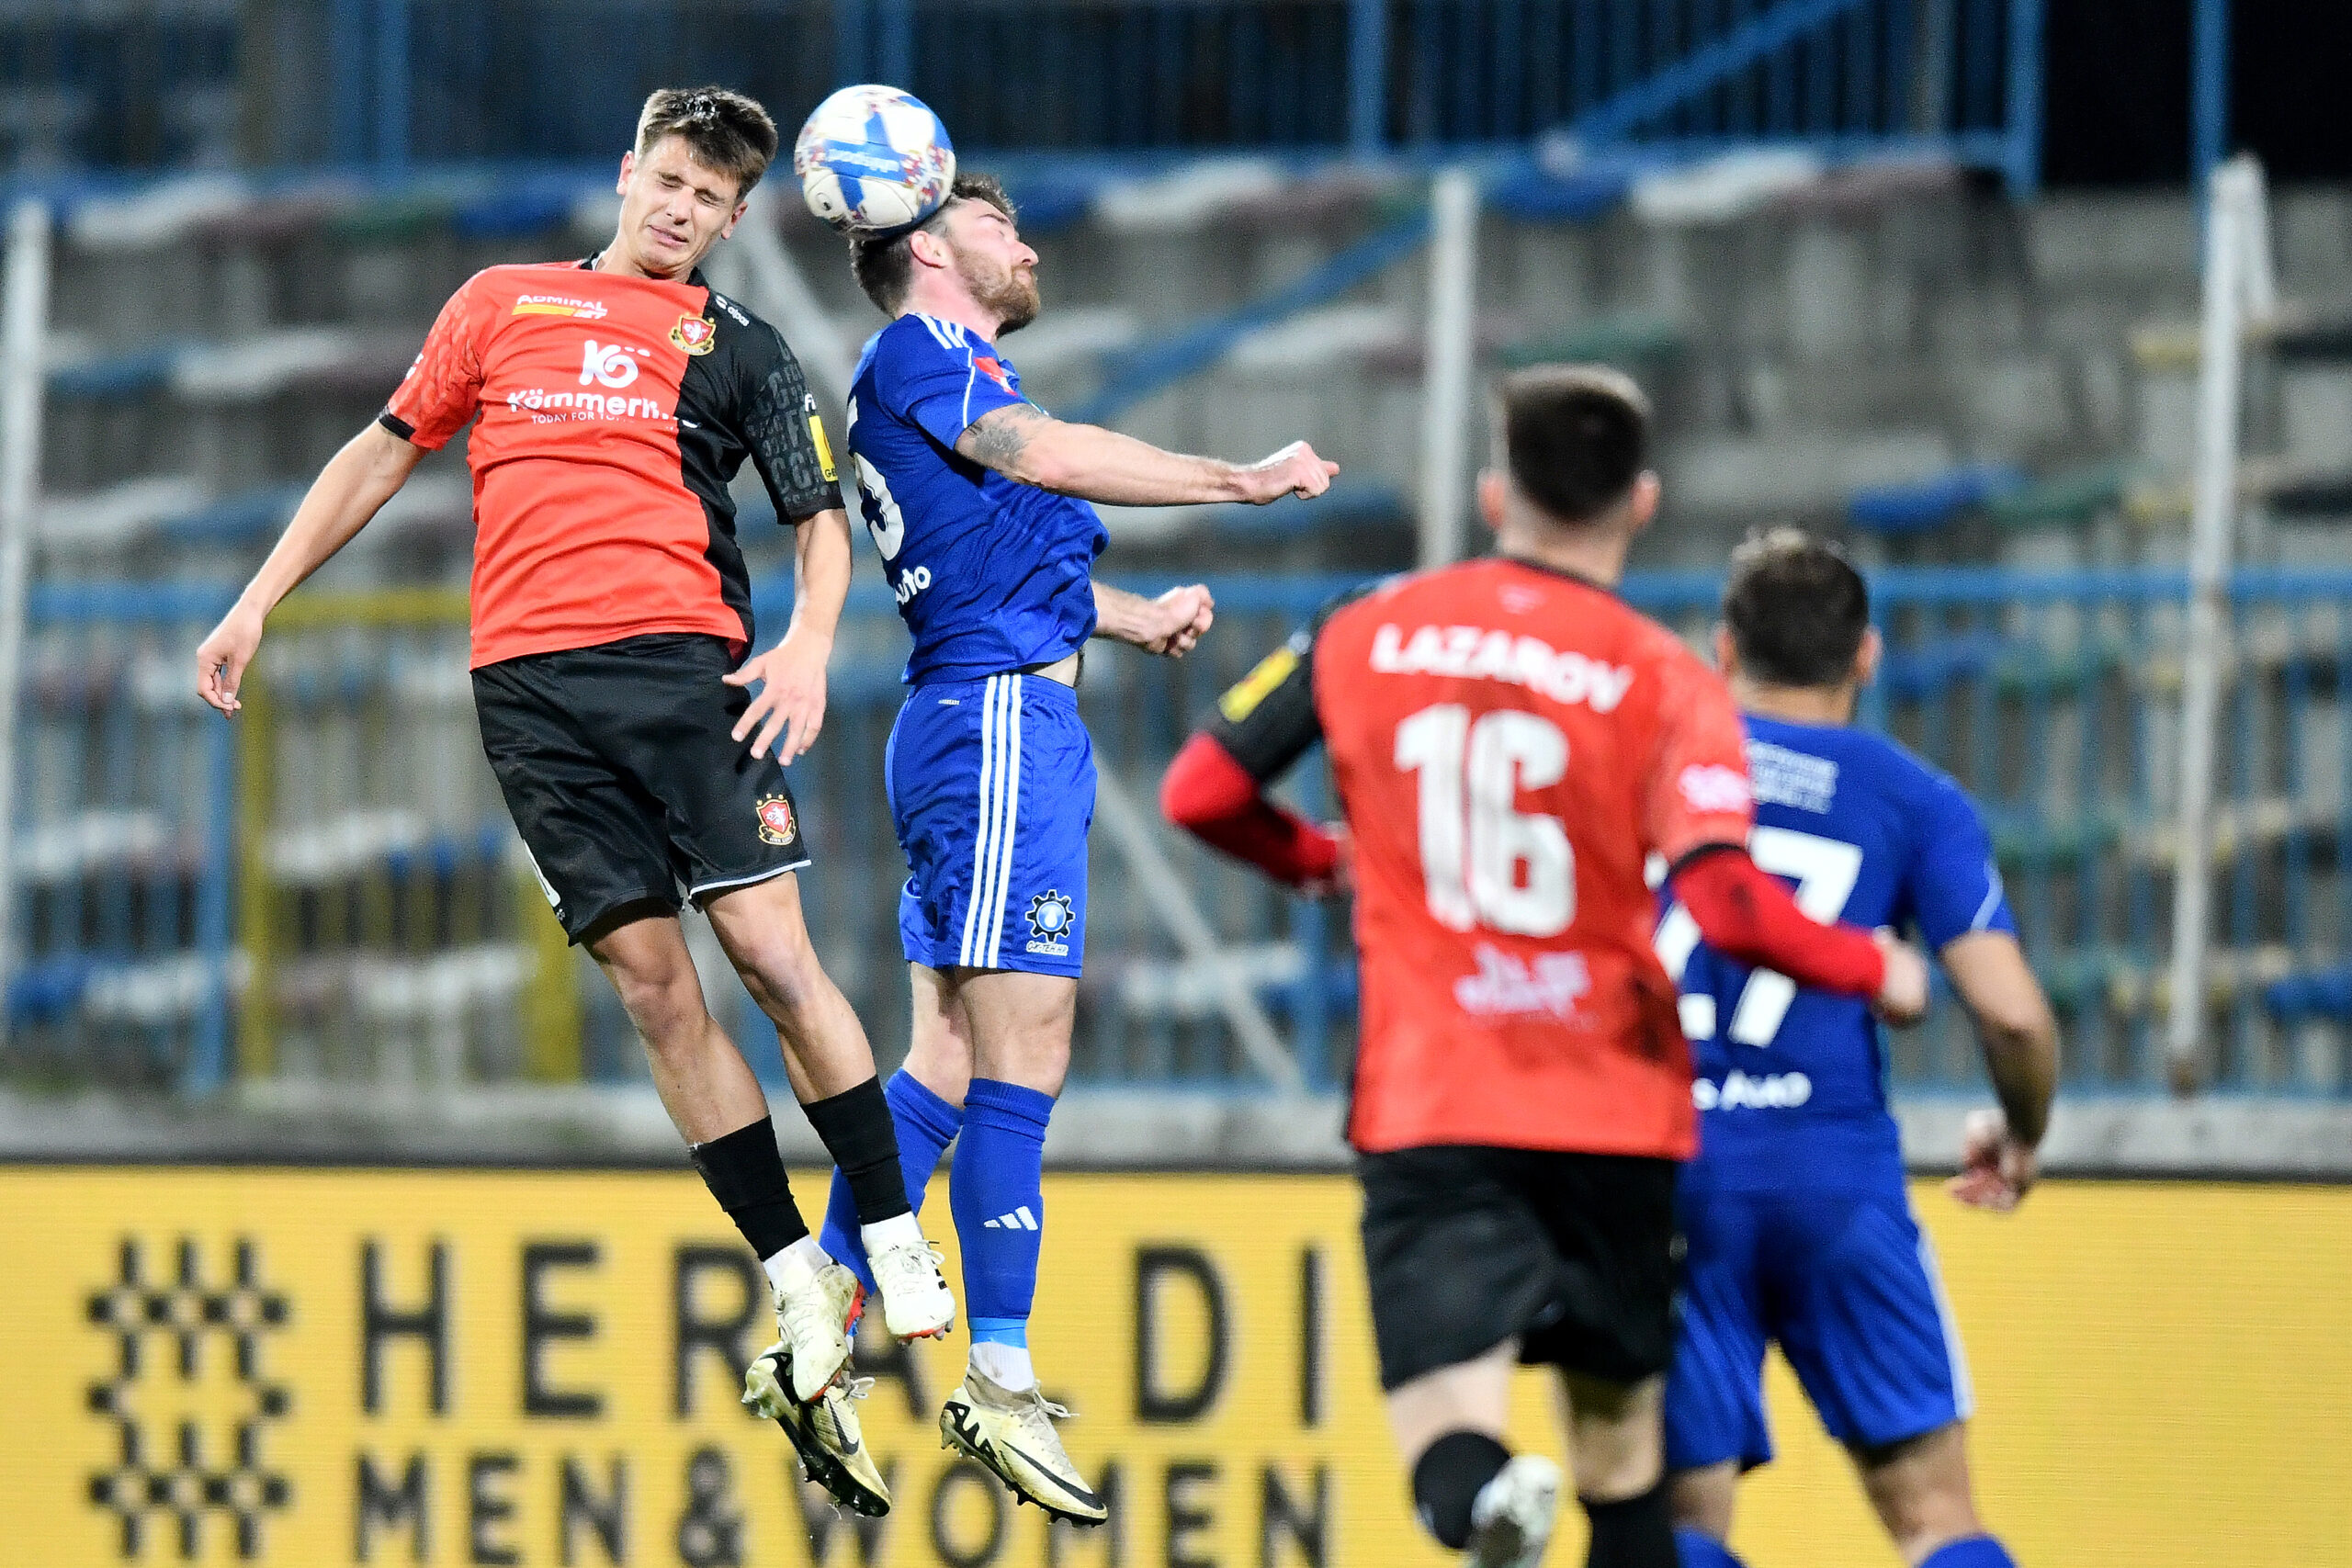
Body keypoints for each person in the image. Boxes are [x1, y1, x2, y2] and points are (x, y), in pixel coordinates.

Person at [191, 85, 949, 1517]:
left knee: (777, 959)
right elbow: (382, 445)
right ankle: (797, 1273)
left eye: (709, 198)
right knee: (656, 991)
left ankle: (895, 1230)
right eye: (665, 179)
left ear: (733, 221)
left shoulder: (740, 346)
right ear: (628, 173)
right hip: (530, 698)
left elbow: (817, 519)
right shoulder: (500, 302)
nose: (678, 207)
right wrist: (256, 601)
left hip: (690, 680)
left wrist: (804, 641)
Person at [1159, 366, 1931, 1568]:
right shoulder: (1669, 674)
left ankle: (1482, 1501)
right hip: (1615, 1106)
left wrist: (1321, 860)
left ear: (1490, 491)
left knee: (1447, 1425)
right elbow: (1727, 899)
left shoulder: (1369, 625)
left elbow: (1199, 790)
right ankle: (1547, 1508)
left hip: (1436, 1096)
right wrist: (1873, 967)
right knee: (1624, 1463)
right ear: (1641, 501)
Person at [808, 172, 1339, 1523]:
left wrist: (1125, 613)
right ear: (928, 246)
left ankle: (818, 1325)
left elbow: (993, 562)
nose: (1028, 243)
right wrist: (1241, 479)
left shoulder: (943, 369)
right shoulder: (925, 355)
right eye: (999, 224)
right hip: (993, 728)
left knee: (945, 1052)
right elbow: (1043, 455)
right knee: (1026, 1046)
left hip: (990, 713)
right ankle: (996, 1369)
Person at [1656, 529, 2057, 1568]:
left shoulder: (1657, 770)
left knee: (1679, 1529)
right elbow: (2010, 1014)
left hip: (1669, 1173)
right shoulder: (1913, 798)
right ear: (1865, 657)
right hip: (1834, 1180)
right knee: (1934, 1521)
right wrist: (2018, 1132)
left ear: (1721, 651)